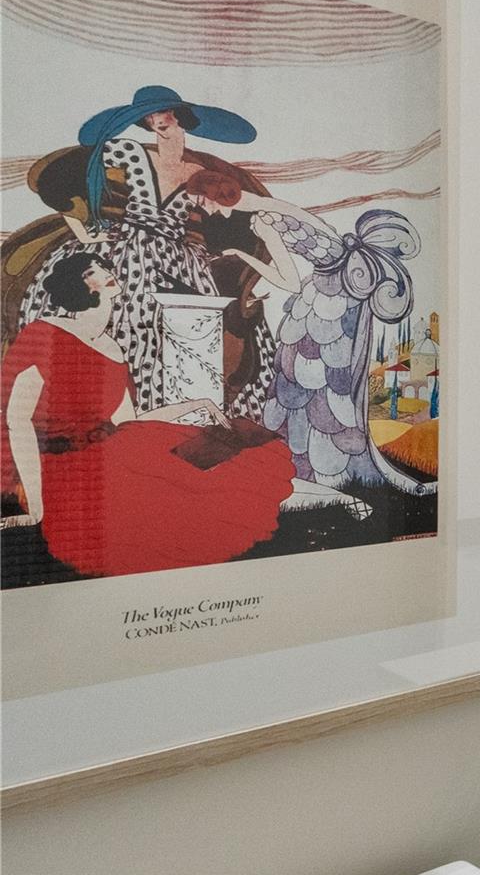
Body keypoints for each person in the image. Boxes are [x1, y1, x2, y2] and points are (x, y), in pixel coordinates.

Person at [0, 252, 297, 579]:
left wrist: (195, 404)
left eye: (104, 266)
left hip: (109, 451)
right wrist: (37, 506)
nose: (105, 271)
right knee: (160, 508)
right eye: (91, 271)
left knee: (222, 463)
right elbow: (18, 421)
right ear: (78, 285)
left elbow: (129, 421)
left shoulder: (112, 346)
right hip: (62, 467)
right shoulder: (44, 332)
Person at [14, 86, 276, 420]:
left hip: (181, 261)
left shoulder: (199, 175)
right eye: (148, 117)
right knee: (127, 323)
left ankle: (179, 419)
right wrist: (87, 233)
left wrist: (201, 252)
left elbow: (207, 223)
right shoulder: (127, 153)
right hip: (127, 249)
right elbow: (77, 190)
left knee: (198, 333)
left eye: (162, 113)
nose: (156, 121)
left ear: (180, 117)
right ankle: (120, 419)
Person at [188, 176, 434, 495]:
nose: (203, 210)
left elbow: (289, 281)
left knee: (309, 378)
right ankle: (311, 465)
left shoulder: (263, 221)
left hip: (326, 303)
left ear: (213, 196)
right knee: (313, 380)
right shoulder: (265, 207)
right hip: (333, 293)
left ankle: (316, 469)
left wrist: (242, 256)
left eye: (201, 202)